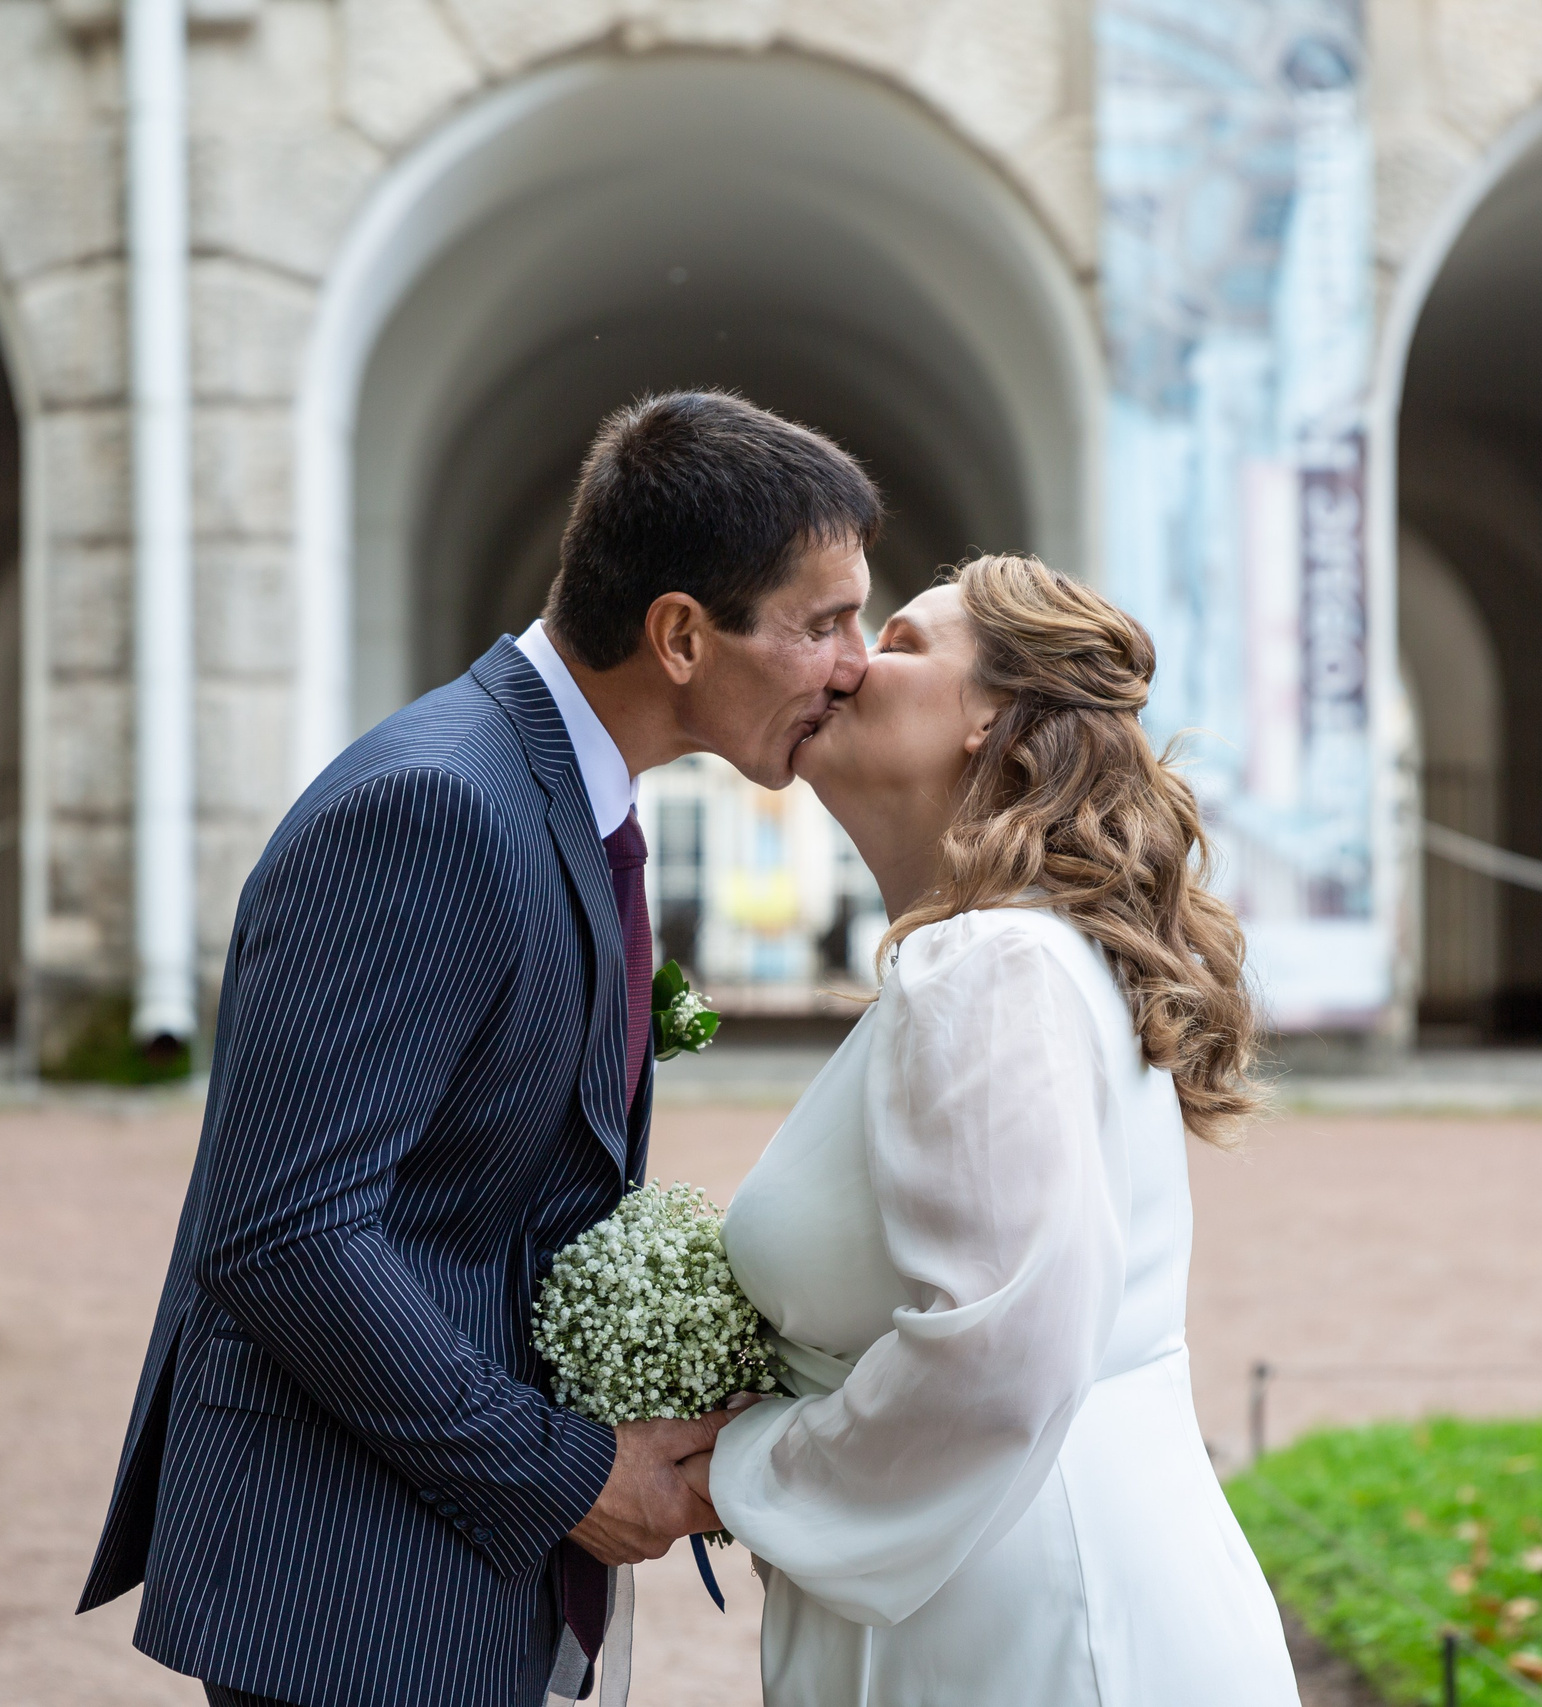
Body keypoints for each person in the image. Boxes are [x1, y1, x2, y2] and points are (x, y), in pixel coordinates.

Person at [76, 391, 880, 1707]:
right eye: (822, 621)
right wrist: (568, 1472)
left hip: (444, 1550)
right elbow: (284, 1230)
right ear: (680, 632)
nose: (850, 663)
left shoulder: (556, 793)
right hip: (355, 1585)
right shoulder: (436, 807)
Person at [694, 554, 1302, 1705]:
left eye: (905, 643)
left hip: (1032, 1617)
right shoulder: (1006, 951)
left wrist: (748, 1467)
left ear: (997, 721)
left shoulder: (990, 961)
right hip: (1002, 1574)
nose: (854, 661)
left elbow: (999, 1349)